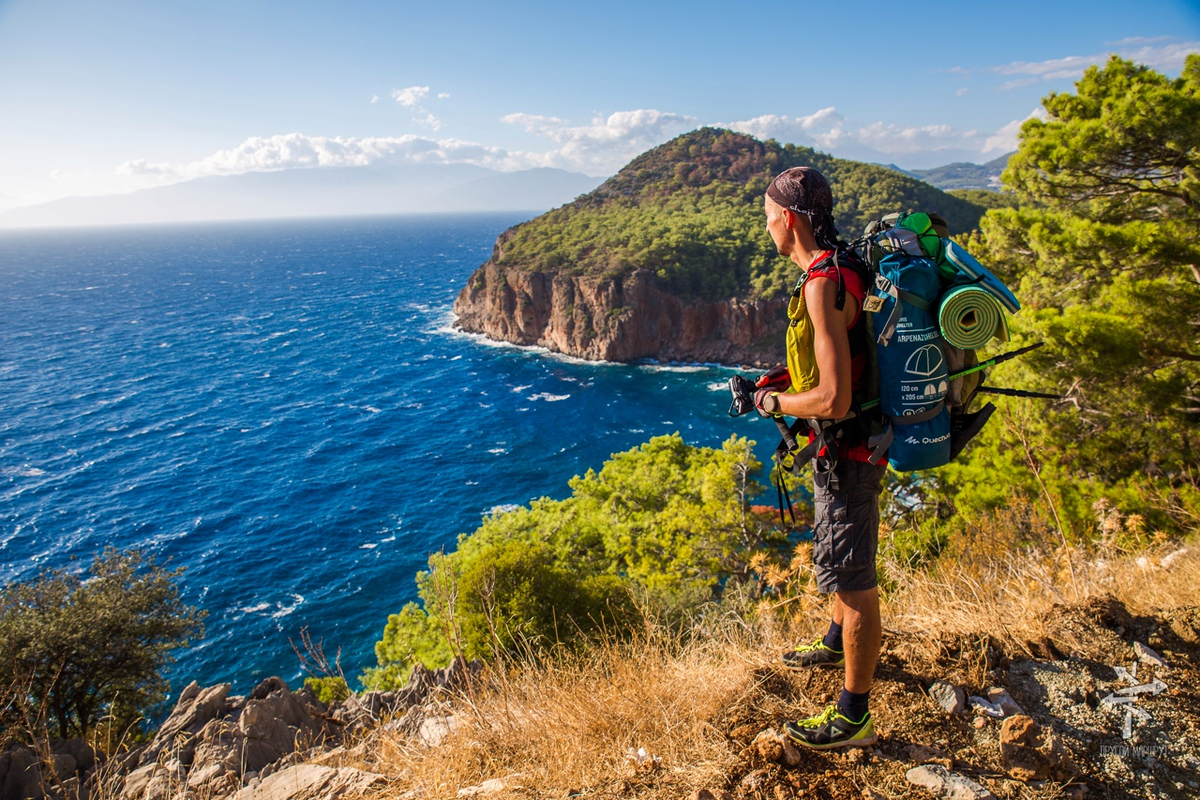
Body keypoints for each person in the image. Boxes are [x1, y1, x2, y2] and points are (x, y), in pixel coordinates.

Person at [754, 166, 886, 750]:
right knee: (838, 551)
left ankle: (854, 717)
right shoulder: (843, 266)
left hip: (851, 446)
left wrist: (774, 401)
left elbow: (833, 398)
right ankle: (834, 643)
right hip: (859, 440)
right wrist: (778, 380)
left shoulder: (820, 283)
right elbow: (844, 356)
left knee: (853, 577)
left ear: (787, 219)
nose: (767, 228)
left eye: (767, 217)